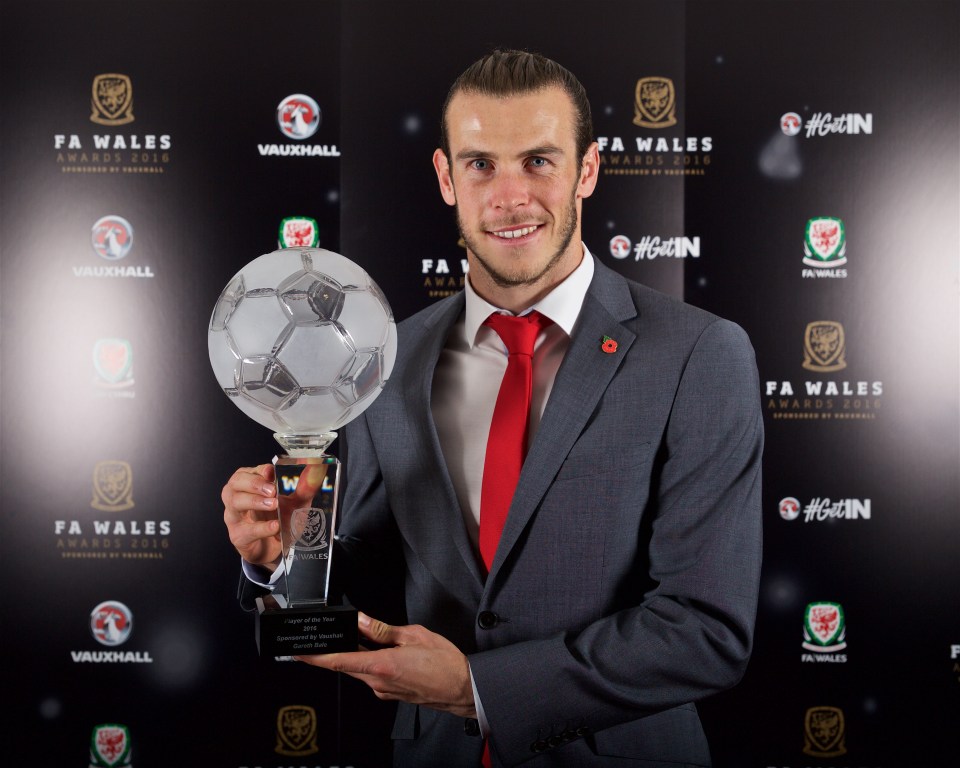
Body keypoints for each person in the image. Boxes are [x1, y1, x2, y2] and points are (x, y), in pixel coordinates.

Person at [222, 49, 763, 768]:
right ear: (447, 178)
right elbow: (375, 583)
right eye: (480, 164)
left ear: (588, 171)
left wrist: (479, 687)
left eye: (538, 161)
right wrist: (280, 562)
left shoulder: (699, 354)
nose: (510, 196)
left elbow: (705, 632)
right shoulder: (386, 357)